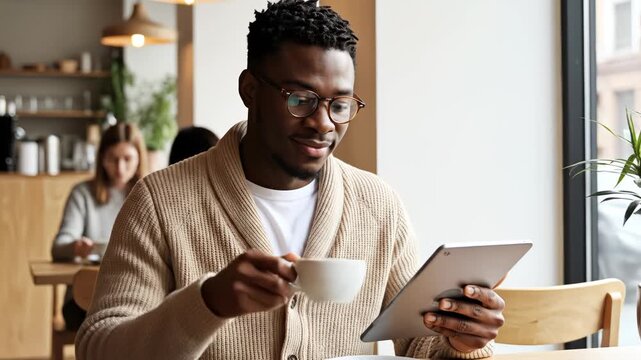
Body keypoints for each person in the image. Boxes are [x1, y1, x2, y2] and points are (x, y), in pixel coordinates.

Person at [76, 1, 504, 358]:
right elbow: (99, 348)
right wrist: (208, 303)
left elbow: (421, 343)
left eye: (340, 105)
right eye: (301, 99)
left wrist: (462, 340)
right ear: (249, 90)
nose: (323, 124)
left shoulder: (378, 204)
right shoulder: (160, 202)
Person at [51, 122, 148, 330]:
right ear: (102, 159)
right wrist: (77, 247)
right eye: (113, 159)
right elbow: (59, 246)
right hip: (83, 301)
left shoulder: (148, 196)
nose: (120, 167)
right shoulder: (82, 194)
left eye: (127, 159)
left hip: (137, 295)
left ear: (139, 158)